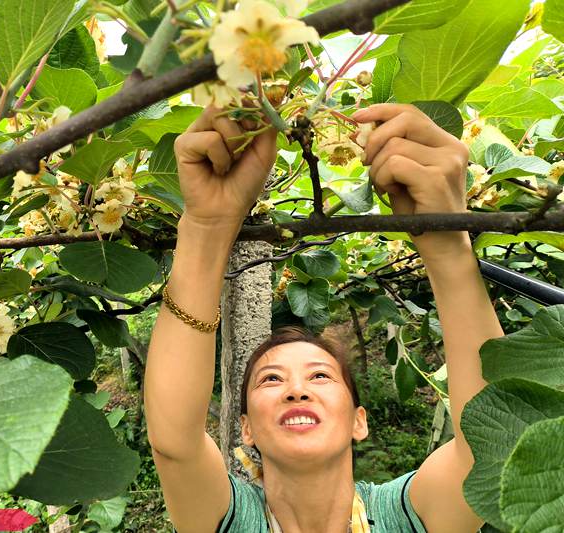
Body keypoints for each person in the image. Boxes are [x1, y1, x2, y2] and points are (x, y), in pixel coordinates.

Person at [143, 102, 505, 533]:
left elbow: (493, 444)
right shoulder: (232, 519)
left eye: (319, 377)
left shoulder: (404, 517)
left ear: (359, 420)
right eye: (271, 379)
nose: (296, 390)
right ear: (246, 430)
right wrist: (205, 227)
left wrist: (447, 240)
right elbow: (173, 442)